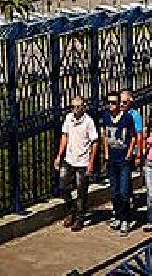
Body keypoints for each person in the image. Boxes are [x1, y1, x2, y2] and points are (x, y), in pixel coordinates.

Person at [54, 95, 99, 231]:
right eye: (73, 107)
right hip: (69, 159)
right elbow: (64, 136)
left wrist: (91, 162)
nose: (76, 110)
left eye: (78, 107)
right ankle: (71, 210)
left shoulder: (88, 122)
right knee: (63, 187)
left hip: (83, 161)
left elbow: (95, 142)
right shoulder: (69, 118)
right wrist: (59, 156)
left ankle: (79, 218)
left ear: (83, 107)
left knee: (81, 191)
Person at [99, 92, 138, 234]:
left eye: (114, 103)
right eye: (109, 102)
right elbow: (105, 135)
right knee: (114, 191)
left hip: (124, 159)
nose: (112, 105)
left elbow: (133, 137)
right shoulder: (106, 117)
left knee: (124, 191)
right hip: (112, 159)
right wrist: (107, 154)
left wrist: (129, 153)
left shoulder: (127, 118)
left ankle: (126, 219)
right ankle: (117, 214)